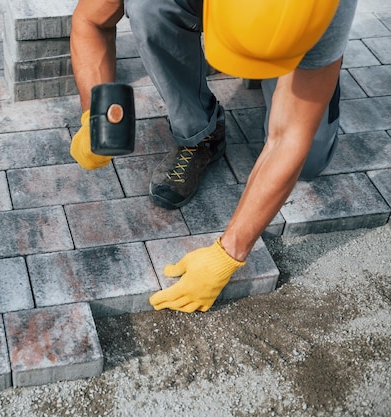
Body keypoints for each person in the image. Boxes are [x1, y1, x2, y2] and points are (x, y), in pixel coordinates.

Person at [69, 0, 358, 313]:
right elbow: (91, 21)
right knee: (147, 5)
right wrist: (94, 115)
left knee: (310, 159)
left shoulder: (327, 9)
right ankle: (199, 133)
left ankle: (297, 72)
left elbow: (288, 138)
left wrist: (228, 254)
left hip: (297, 31)